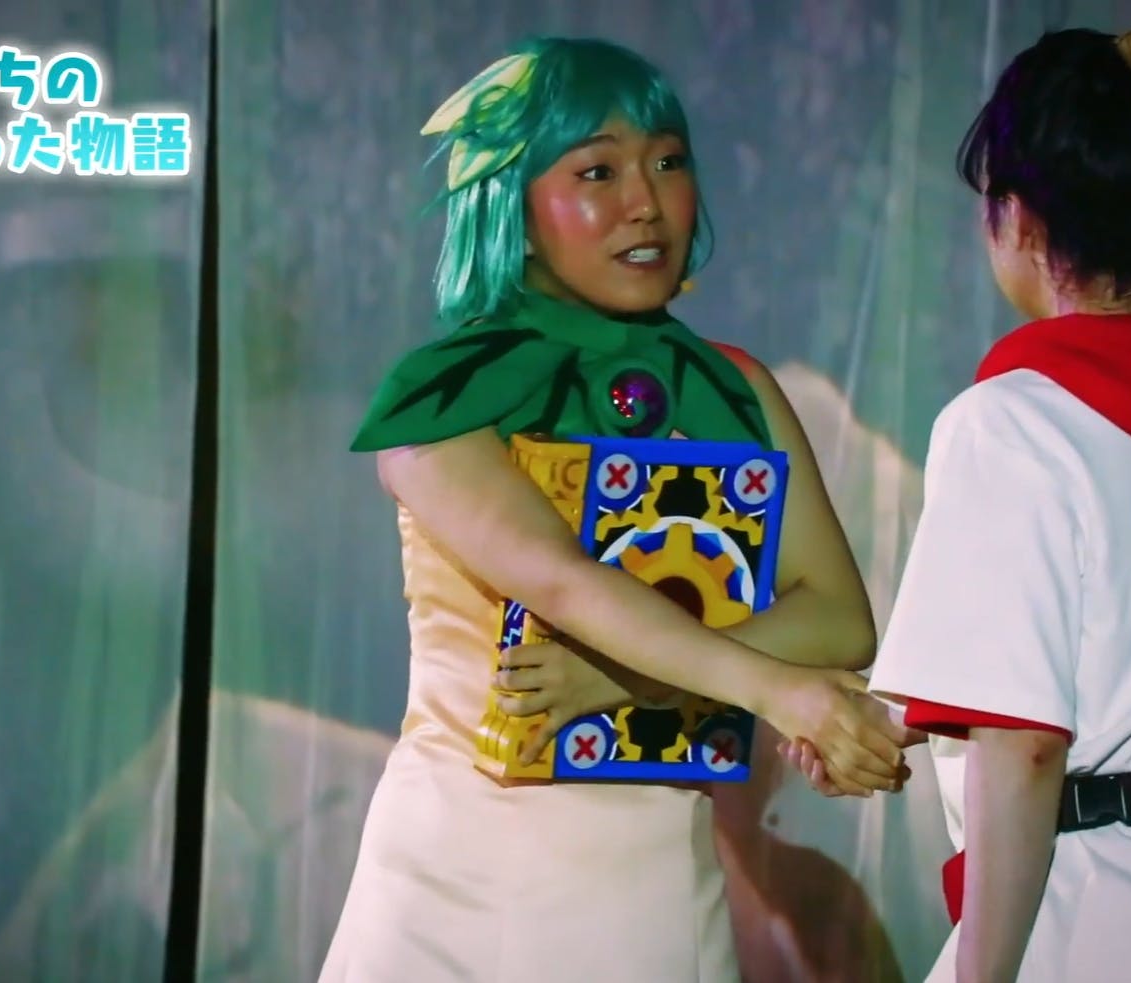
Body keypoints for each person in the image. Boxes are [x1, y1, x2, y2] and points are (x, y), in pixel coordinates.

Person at [320, 36, 907, 982]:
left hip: (650, 879)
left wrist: (628, 683)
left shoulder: (736, 391)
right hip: (452, 870)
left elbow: (840, 619)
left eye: (668, 161)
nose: (646, 202)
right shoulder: (445, 394)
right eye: (597, 171)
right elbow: (561, 580)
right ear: (511, 206)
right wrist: (773, 686)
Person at [786, 21, 1131, 983]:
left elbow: (1026, 745)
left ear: (1022, 220)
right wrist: (893, 714)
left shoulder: (1010, 423)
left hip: (1116, 921)